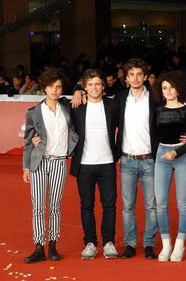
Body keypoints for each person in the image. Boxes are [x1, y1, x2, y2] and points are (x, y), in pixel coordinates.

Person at [22, 68, 78, 263]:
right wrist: (26, 167)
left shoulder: (67, 107)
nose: (55, 90)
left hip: (59, 162)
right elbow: (28, 141)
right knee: (38, 206)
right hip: (38, 163)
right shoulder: (34, 112)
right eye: (52, 86)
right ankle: (39, 247)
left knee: (55, 206)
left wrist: (79, 90)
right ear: (44, 88)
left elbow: (82, 95)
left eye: (59, 86)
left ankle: (53, 245)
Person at [70, 69, 120, 260]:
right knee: (87, 206)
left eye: (97, 84)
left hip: (107, 163)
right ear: (84, 86)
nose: (94, 88)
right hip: (84, 164)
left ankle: (109, 243)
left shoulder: (113, 106)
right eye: (90, 85)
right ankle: (90, 243)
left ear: (103, 86)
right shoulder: (76, 106)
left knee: (109, 206)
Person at [115, 58, 159, 260]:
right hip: (127, 161)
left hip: (150, 160)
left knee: (152, 206)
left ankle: (149, 243)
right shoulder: (120, 97)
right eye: (131, 74)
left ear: (145, 76)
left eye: (139, 74)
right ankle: (130, 244)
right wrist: (80, 91)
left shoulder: (155, 98)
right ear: (126, 77)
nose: (135, 78)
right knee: (128, 207)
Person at [152, 71, 186, 262]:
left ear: (178, 88)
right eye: (164, 88)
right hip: (162, 156)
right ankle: (166, 244)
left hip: (182, 156)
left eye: (171, 87)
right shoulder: (158, 110)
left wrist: (176, 152)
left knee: (182, 203)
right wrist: (160, 155)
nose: (168, 91)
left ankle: (180, 244)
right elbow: (153, 137)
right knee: (160, 203)